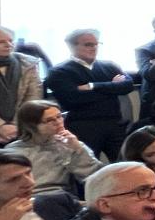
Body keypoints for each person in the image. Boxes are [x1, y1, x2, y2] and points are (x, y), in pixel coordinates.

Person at [45, 28, 133, 159]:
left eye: (96, 44)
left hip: (115, 124)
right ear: (71, 46)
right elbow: (72, 99)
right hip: (83, 127)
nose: (94, 48)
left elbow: (127, 86)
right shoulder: (59, 71)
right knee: (86, 167)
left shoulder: (109, 66)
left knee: (126, 165)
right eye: (88, 44)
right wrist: (112, 87)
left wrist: (93, 86)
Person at [6, 99, 103, 192]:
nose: (58, 122)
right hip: (28, 196)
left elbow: (96, 177)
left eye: (59, 116)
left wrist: (78, 149)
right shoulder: (14, 151)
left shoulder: (69, 144)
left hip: (60, 196)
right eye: (49, 120)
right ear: (32, 126)